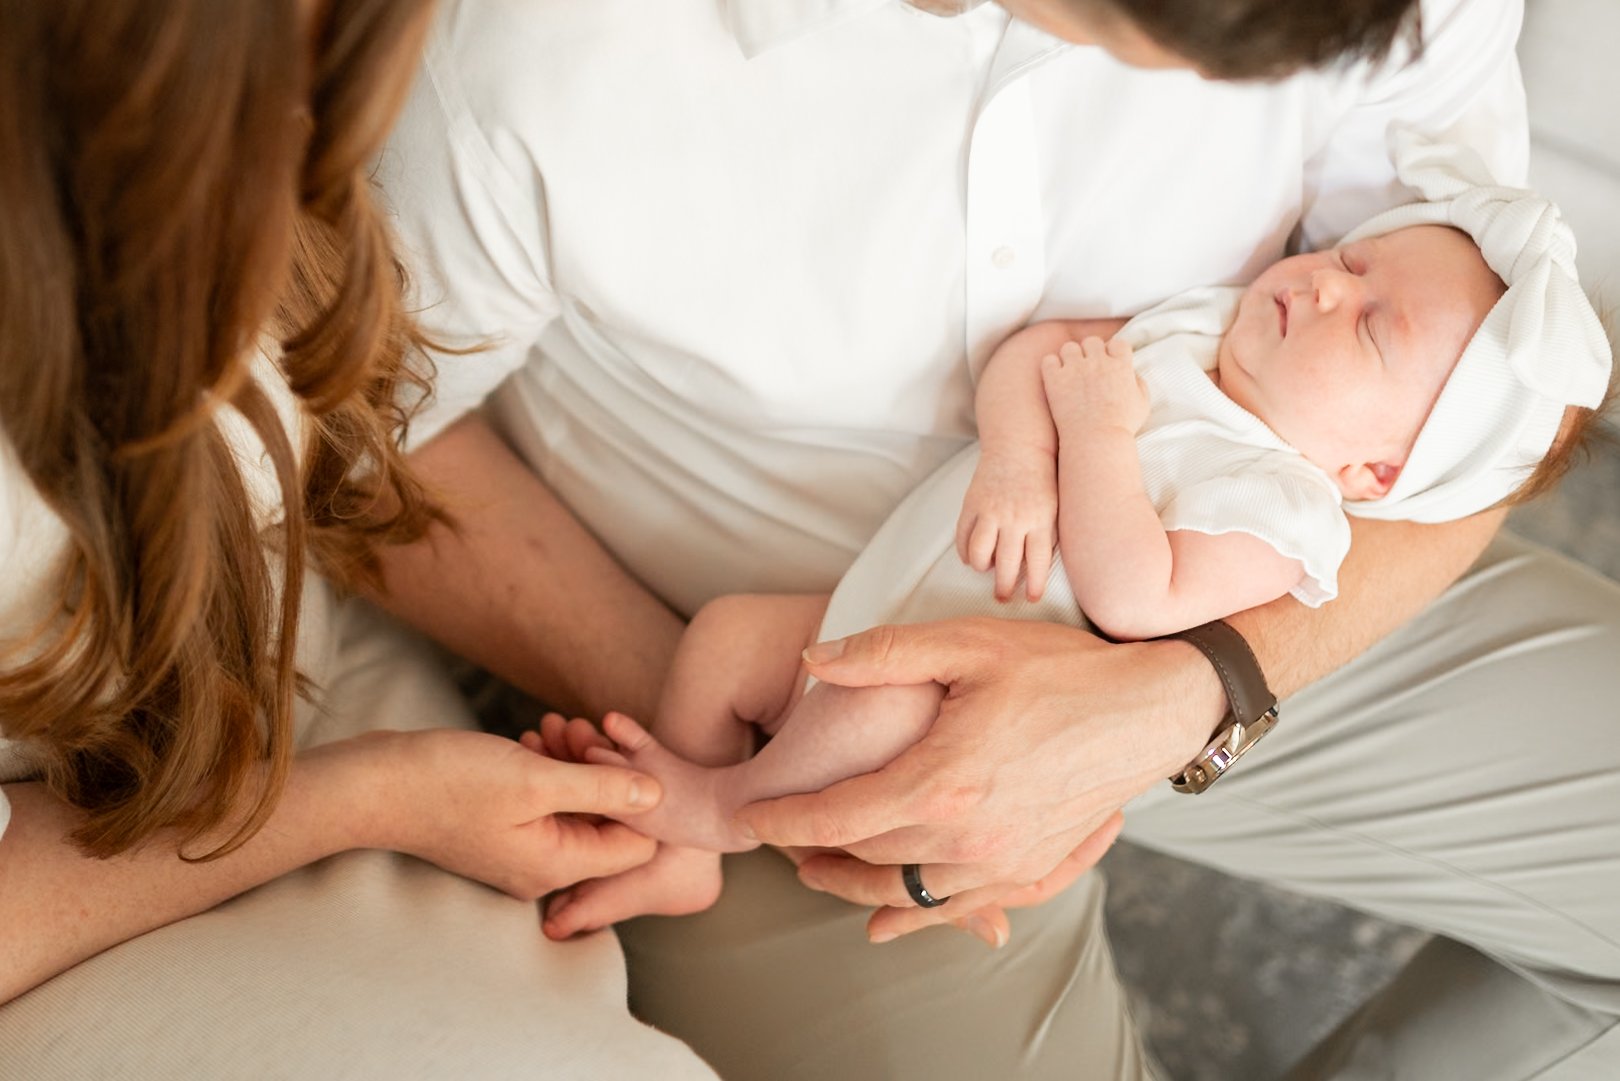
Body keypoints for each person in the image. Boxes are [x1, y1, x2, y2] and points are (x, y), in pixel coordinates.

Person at [375, 0, 1620, 1076]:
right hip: (779, 668)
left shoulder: (1301, 445)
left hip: (1236, 625)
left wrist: (1183, 695)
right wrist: (783, 759)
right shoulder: (537, 54)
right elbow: (348, 447)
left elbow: (1486, 414)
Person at [532, 152, 1614, 935]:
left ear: (1373, 474)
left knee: (866, 703)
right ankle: (679, 861)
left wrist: (1095, 434)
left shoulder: (1280, 514)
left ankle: (717, 812)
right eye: (1353, 258)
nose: (1328, 283)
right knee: (728, 640)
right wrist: (1014, 452)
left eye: (1371, 324)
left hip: (953, 695)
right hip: (870, 600)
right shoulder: (1204, 330)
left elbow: (1141, 596)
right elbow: (1042, 351)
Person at [0, 3, 717, 1077]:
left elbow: (347, 475)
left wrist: (686, 738)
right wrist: (388, 796)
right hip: (70, 885)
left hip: (266, 699)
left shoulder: (221, 163)